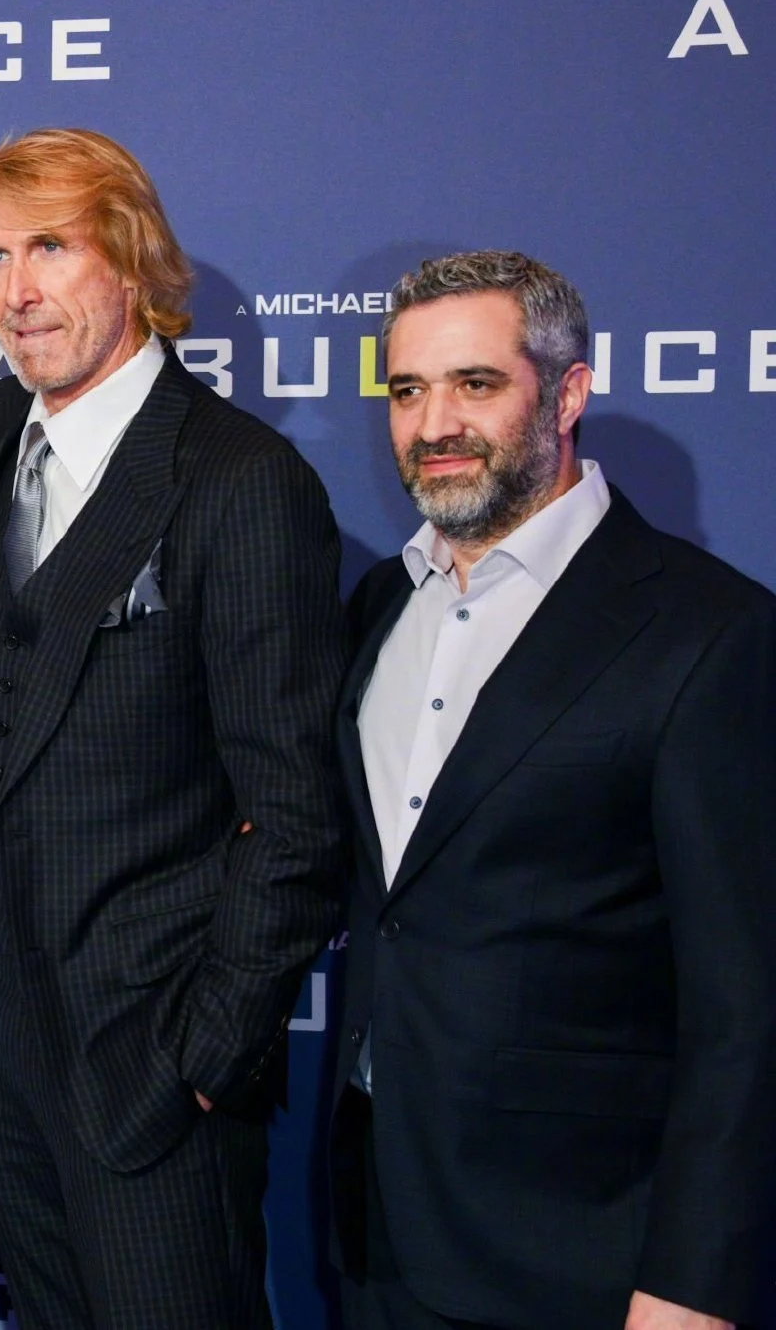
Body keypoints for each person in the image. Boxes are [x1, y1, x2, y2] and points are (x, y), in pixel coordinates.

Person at [0, 128, 348, 1329]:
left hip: (151, 1059)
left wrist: (204, 1056)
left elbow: (292, 810)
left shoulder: (240, 480)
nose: (15, 291)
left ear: (130, 261)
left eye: (49, 247)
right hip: (2, 1051)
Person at [328, 251, 776, 1330]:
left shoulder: (704, 632)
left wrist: (689, 1285)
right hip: (374, 1227)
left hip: (586, 1251)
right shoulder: (376, 605)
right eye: (405, 389)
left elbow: (744, 1006)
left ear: (565, 393)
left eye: (474, 384)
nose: (433, 421)